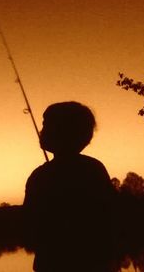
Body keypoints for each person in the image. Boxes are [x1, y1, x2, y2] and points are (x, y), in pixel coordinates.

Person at [23, 101, 118, 272]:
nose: (41, 130)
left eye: (46, 125)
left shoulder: (39, 176)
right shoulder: (94, 168)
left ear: (62, 131)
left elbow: (29, 227)